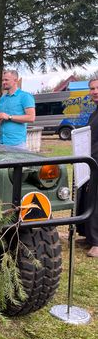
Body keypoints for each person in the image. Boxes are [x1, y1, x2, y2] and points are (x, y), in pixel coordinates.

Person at [78, 78, 98, 257]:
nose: (95, 91)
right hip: (91, 162)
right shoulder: (94, 113)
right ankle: (88, 235)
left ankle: (97, 243)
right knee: (87, 197)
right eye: (92, 88)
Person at [0, 70, 35, 148]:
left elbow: (31, 118)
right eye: (3, 80)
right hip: (0, 142)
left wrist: (9, 117)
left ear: (15, 80)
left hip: (16, 144)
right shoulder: (2, 99)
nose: (3, 82)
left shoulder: (25, 96)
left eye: (6, 80)